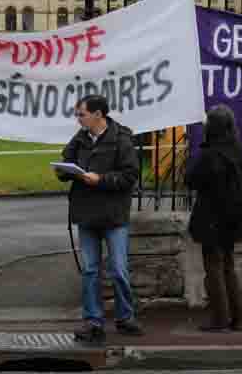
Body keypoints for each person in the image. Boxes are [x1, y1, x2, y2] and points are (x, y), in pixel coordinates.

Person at [55, 95, 143, 345]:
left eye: (81, 114)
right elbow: (65, 163)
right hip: (86, 213)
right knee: (90, 270)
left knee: (118, 269)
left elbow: (129, 176)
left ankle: (125, 317)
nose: (78, 118)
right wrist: (63, 170)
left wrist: (100, 180)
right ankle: (93, 321)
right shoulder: (80, 138)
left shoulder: (121, 139)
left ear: (98, 115)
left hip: (113, 215)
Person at [184, 105, 242, 332]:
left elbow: (191, 180)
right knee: (229, 267)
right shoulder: (238, 150)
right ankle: (239, 318)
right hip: (233, 220)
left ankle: (220, 318)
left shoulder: (210, 154)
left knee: (213, 267)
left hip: (212, 220)